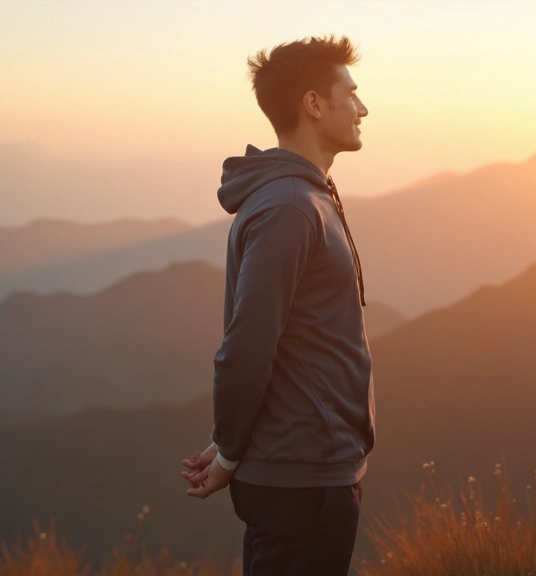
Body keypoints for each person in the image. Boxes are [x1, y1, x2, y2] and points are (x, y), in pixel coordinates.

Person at [179, 35, 375, 576]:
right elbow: (247, 346)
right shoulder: (291, 206)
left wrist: (232, 445)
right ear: (314, 104)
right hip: (301, 480)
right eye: (351, 94)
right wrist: (228, 449)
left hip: (310, 471)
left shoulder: (305, 197)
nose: (363, 107)